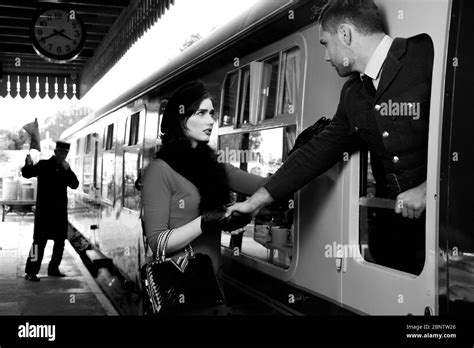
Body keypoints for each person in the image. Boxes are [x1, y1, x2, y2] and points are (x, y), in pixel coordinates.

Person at [227, 0, 434, 275]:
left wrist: (428, 188)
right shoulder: (353, 95)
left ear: (345, 34)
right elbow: (315, 153)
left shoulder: (424, 56)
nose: (326, 56)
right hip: (404, 243)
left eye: (325, 43)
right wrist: (254, 203)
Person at [141, 81, 264, 314]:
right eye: (201, 113)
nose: (211, 121)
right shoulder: (159, 170)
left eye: (212, 114)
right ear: (180, 118)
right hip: (177, 290)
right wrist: (205, 221)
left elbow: (266, 187)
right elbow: (157, 243)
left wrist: (301, 154)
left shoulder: (215, 167)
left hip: (212, 289)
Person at [22, 141, 79, 281]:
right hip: (44, 213)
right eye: (60, 152)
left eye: (65, 153)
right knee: (38, 243)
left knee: (60, 243)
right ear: (55, 152)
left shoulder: (65, 169)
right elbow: (27, 174)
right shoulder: (43, 165)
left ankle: (53, 269)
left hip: (59, 214)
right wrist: (27, 164)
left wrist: (69, 170)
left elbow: (75, 185)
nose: (63, 155)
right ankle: (30, 271)